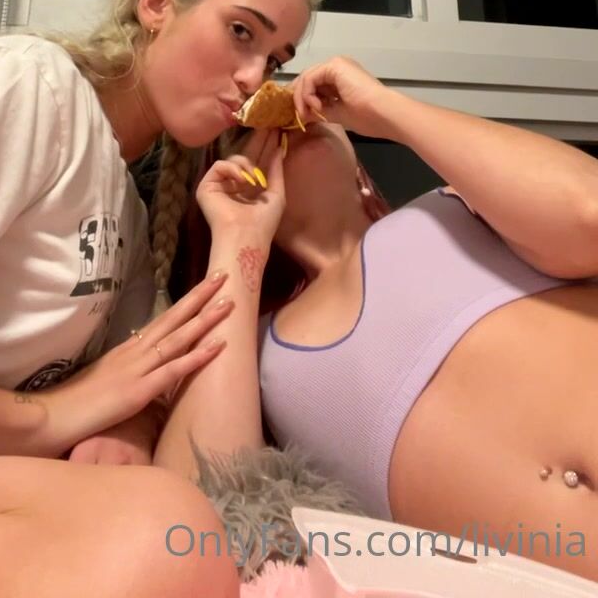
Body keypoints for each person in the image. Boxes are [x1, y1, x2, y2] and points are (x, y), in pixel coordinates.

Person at [0, 0, 326, 598]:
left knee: (183, 530)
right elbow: (84, 398)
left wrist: (134, 421)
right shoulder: (29, 87)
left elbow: (160, 393)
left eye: (274, 61)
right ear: (156, 3)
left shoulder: (128, 210)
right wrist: (55, 415)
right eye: (241, 31)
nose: (254, 78)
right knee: (163, 534)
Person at [154, 55, 598, 584]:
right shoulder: (254, 351)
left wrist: (386, 109)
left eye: (303, 103)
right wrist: (239, 237)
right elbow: (196, 506)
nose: (286, 116)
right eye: (248, 129)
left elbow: (588, 210)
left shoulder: (455, 209)